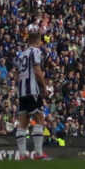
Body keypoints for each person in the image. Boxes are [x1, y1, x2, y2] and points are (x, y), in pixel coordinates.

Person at [14, 28, 51, 159]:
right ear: (38, 41)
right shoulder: (35, 51)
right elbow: (37, 70)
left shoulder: (21, 54)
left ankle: (23, 154)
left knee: (22, 123)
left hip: (22, 91)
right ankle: (38, 153)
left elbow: (16, 74)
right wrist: (44, 87)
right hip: (32, 90)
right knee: (40, 119)